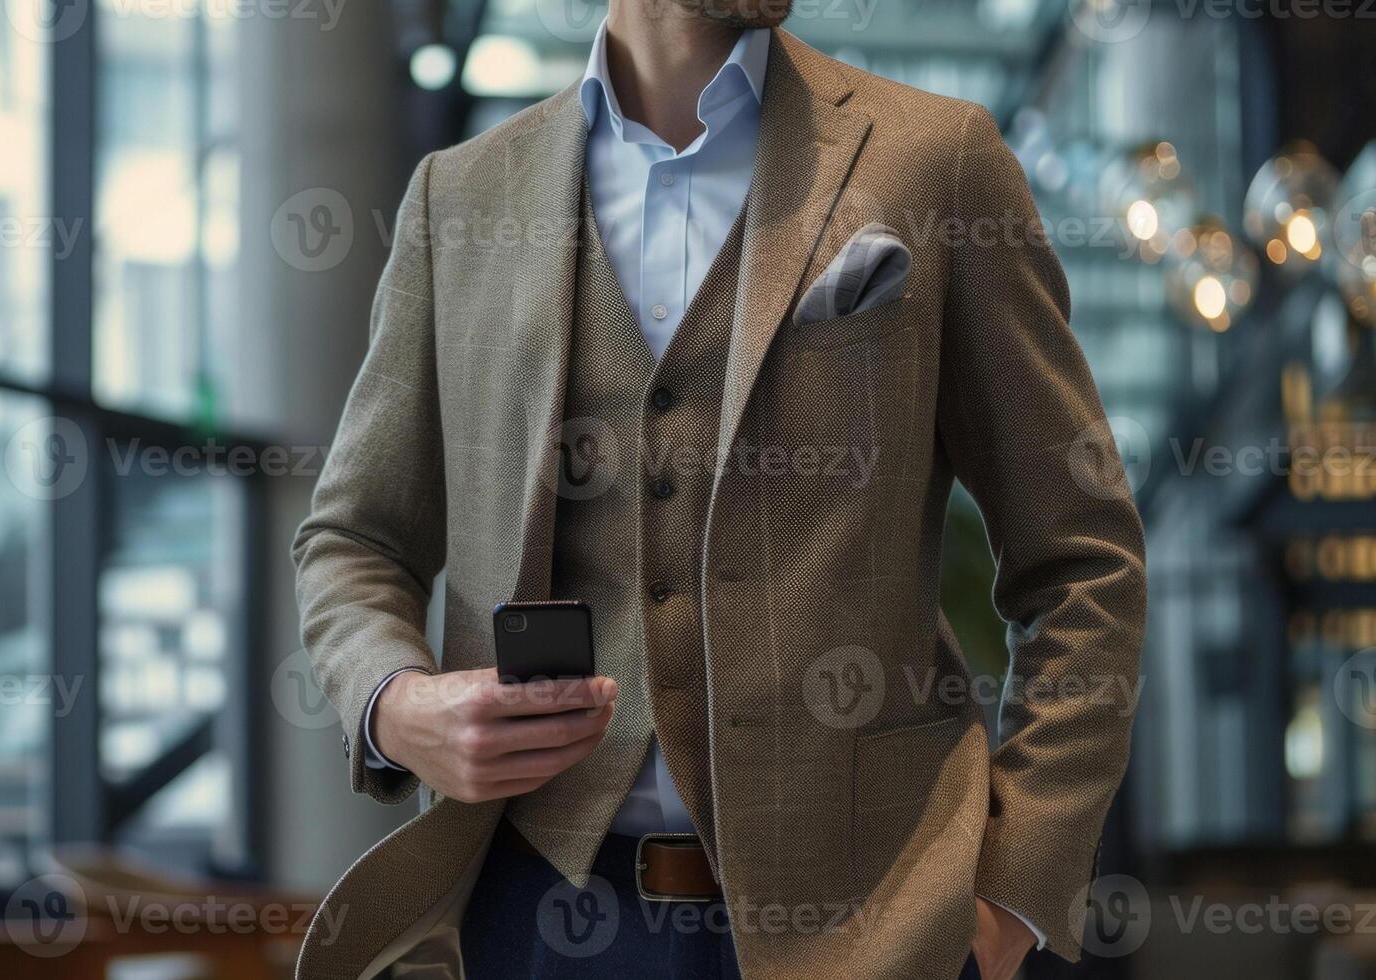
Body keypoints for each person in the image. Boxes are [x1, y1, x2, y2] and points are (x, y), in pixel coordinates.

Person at [292, 1, 1146, 977]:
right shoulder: (463, 196)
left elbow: (1085, 555)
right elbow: (355, 536)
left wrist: (1009, 890)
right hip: (540, 917)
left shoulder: (934, 159)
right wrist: (398, 705)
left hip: (874, 919)